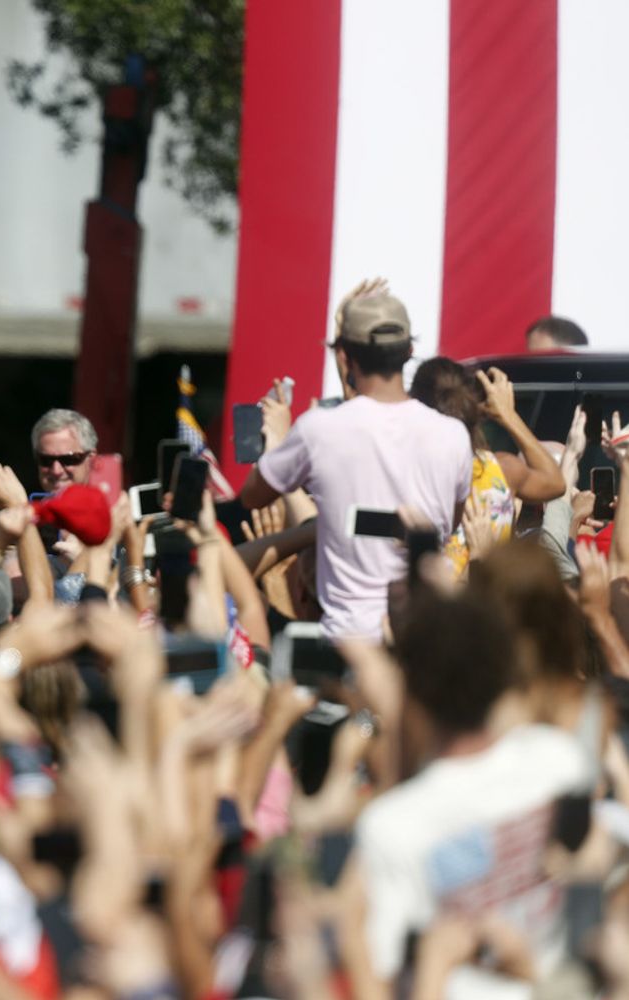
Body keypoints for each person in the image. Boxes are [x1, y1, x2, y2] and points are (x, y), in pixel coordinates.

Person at [356, 590, 593, 997]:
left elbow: (382, 972)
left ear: (412, 693)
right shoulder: (560, 759)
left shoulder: (390, 826)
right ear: (503, 677)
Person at [240, 290, 472, 639]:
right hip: (426, 641)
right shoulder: (453, 435)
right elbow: (449, 522)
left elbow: (253, 496)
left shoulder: (318, 428)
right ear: (409, 351)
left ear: (345, 357)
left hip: (348, 646)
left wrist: (276, 443)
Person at [410, 357, 566, 574]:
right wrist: (508, 415)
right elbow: (555, 483)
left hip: (427, 603)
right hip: (486, 600)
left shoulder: (405, 468)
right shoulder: (501, 470)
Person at [30, 408, 97, 494]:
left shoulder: (111, 506)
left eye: (68, 459)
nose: (56, 471)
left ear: (91, 459)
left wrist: (20, 505)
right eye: (46, 460)